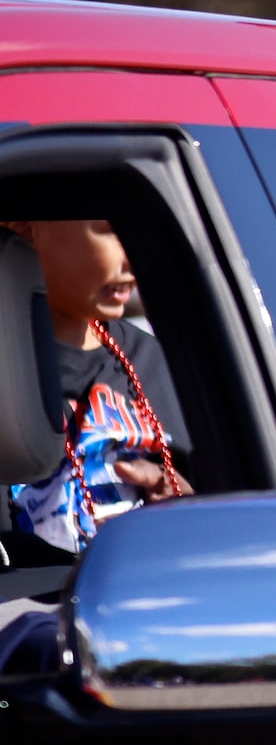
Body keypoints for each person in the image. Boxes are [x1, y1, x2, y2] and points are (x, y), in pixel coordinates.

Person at [3, 220, 193, 551]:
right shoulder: (10, 364)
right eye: (111, 229)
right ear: (24, 227)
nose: (133, 253)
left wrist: (177, 501)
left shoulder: (150, 360)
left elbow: (205, 508)